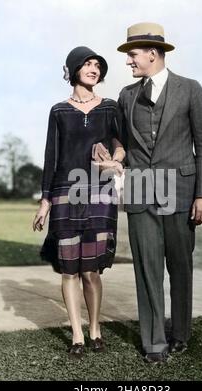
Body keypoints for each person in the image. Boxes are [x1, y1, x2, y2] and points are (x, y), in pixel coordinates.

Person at [116, 23, 202, 363]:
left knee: (180, 267)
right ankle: (154, 343)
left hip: (183, 192)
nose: (129, 62)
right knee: (147, 269)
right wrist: (113, 156)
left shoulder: (190, 89)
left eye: (132, 55)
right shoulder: (127, 96)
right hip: (140, 192)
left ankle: (181, 334)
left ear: (153, 54)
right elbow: (121, 142)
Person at [33, 46, 125, 359]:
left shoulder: (110, 108)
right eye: (87, 64)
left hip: (100, 193)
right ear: (74, 69)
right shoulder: (58, 111)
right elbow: (51, 157)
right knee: (69, 270)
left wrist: (114, 160)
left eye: (98, 65)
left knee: (91, 271)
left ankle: (95, 328)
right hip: (63, 193)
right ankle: (76, 334)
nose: (94, 68)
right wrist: (45, 201)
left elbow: (121, 144)